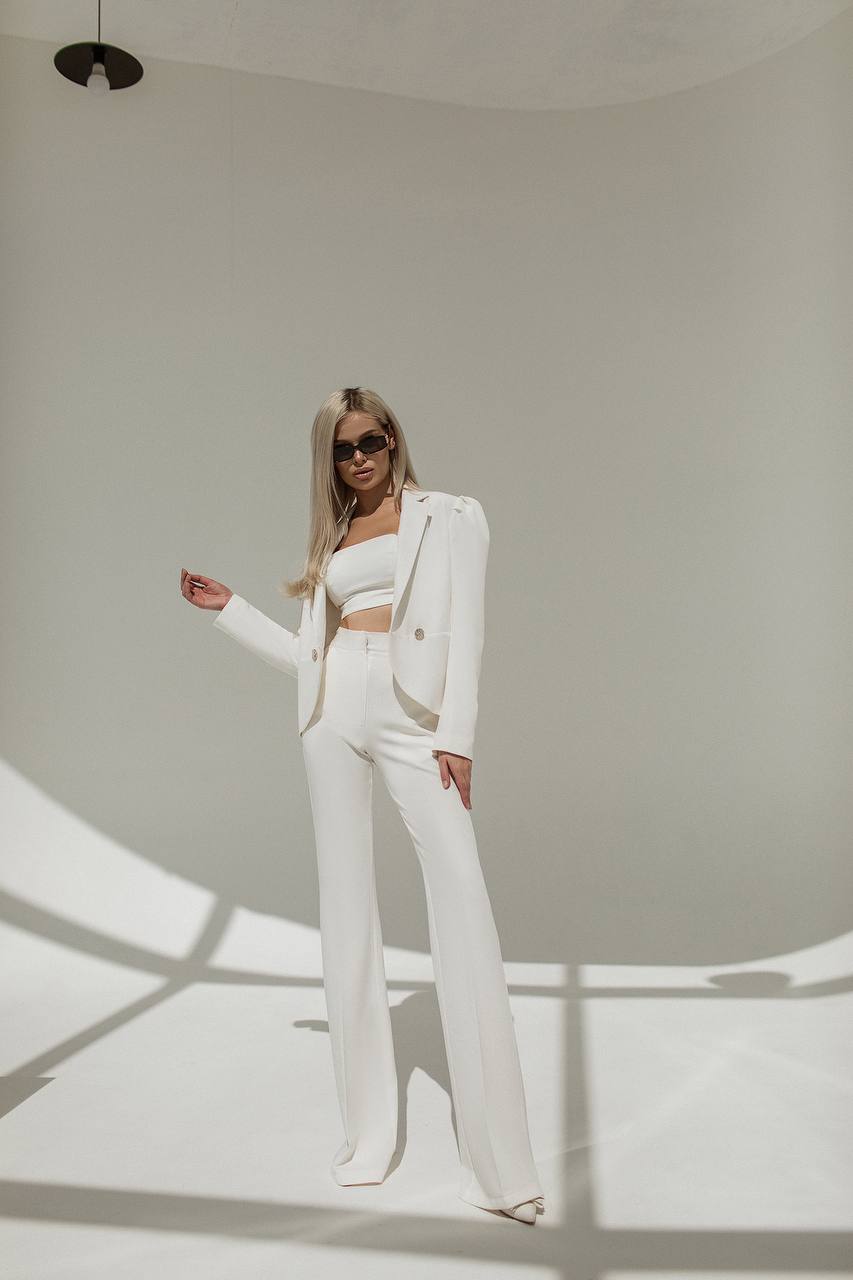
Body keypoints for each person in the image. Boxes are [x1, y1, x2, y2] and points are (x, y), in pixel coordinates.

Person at [180, 387, 544, 1224]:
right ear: (330, 463)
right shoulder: (335, 538)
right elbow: (312, 654)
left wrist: (458, 735)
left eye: (370, 441)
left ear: (393, 438)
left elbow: (470, 631)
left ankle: (502, 1171)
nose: (359, 459)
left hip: (417, 715)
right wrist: (228, 610)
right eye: (342, 450)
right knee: (346, 914)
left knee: (462, 902)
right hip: (333, 709)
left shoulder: (450, 516)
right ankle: (369, 1136)